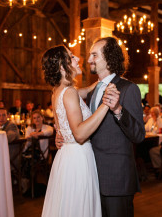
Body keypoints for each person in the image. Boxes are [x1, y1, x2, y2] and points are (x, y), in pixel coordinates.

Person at [56, 37, 145, 217]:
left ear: (109, 58)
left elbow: (139, 135)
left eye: (94, 55)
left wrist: (118, 110)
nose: (89, 60)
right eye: (90, 55)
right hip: (90, 175)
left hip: (116, 179)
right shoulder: (93, 90)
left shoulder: (129, 89)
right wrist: (62, 133)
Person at [41, 45, 118, 217]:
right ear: (62, 66)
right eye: (72, 57)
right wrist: (106, 104)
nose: (78, 59)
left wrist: (97, 84)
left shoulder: (58, 91)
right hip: (77, 157)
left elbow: (80, 93)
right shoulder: (69, 92)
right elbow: (80, 134)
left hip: (66, 156)